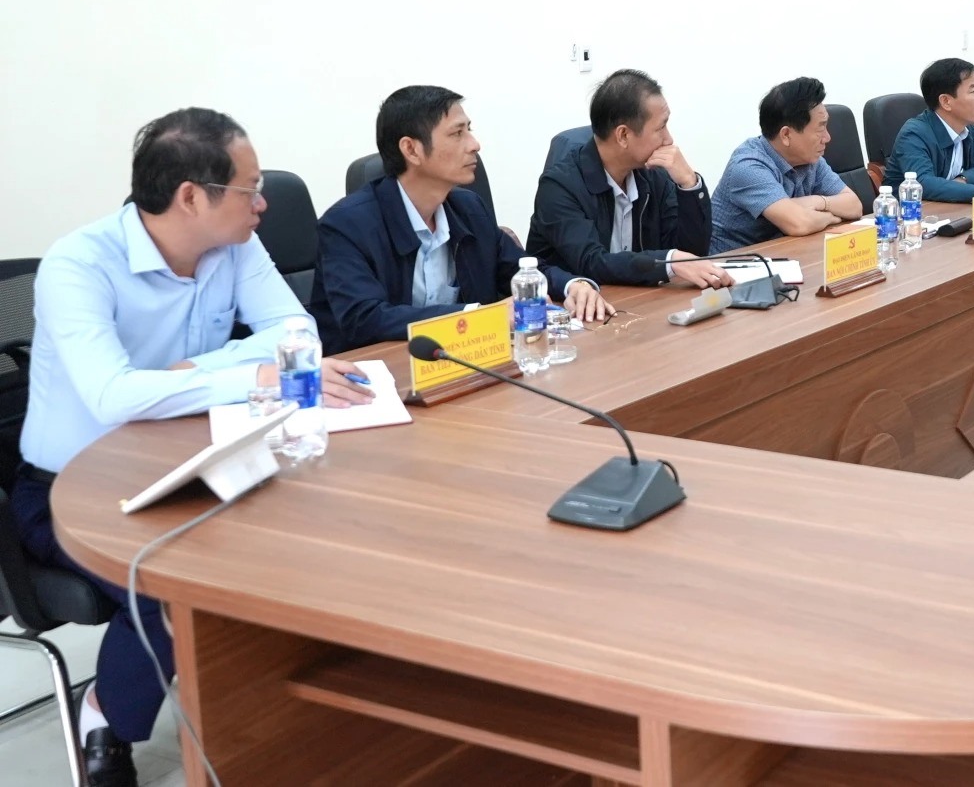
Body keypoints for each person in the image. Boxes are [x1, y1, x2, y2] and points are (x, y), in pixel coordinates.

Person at [15, 108, 374, 785]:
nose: (263, 203)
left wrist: (196, 371)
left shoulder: (234, 244)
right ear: (190, 197)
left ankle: (295, 725)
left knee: (325, 526)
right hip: (71, 491)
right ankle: (104, 720)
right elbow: (112, 397)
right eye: (250, 188)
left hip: (195, 461)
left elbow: (297, 333)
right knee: (169, 583)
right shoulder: (79, 264)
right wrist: (251, 371)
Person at [310, 86, 611, 353]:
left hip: (460, 365)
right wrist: (481, 317)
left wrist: (573, 285)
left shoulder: (468, 208)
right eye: (457, 133)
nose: (474, 144)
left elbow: (521, 268)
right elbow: (365, 319)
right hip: (376, 376)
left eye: (469, 130)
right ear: (411, 149)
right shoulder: (346, 226)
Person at [527, 69, 730, 291]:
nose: (669, 139)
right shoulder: (559, 186)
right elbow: (591, 262)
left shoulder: (654, 176)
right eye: (661, 127)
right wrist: (668, 262)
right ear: (623, 135)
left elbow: (691, 257)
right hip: (575, 306)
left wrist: (689, 184)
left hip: (640, 302)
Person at [710, 76, 863, 252]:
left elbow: (854, 205)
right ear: (786, 135)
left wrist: (818, 202)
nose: (827, 138)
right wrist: (830, 217)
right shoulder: (748, 167)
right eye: (820, 128)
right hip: (734, 262)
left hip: (785, 254)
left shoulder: (810, 160)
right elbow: (800, 223)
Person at [883, 57, 974, 201]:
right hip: (907, 212)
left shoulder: (967, 129)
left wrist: (963, 180)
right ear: (946, 101)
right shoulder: (914, 134)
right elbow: (923, 183)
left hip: (949, 209)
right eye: (973, 91)